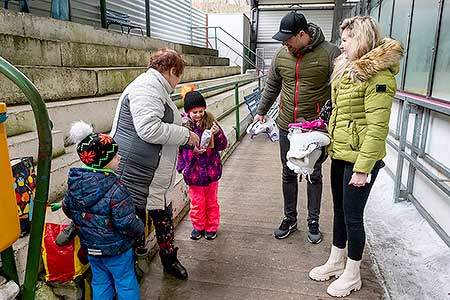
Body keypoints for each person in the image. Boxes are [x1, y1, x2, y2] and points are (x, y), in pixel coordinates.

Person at [308, 16, 403, 297]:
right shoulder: (346, 69)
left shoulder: (379, 76)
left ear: (360, 39)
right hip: (341, 153)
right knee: (338, 212)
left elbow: (377, 128)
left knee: (353, 217)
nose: (342, 44)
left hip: (360, 160)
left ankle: (352, 273)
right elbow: (342, 113)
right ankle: (337, 261)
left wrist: (363, 168)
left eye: (347, 39)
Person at [110, 48, 200, 280]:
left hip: (150, 174)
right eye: (179, 75)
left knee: (162, 217)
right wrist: (185, 136)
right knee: (137, 221)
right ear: (172, 71)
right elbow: (149, 129)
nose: (179, 81)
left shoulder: (154, 86)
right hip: (137, 175)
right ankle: (137, 265)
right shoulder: (147, 88)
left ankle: (167, 260)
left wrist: (183, 132)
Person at [255, 11, 340, 243]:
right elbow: (272, 84)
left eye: (288, 39)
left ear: (302, 34)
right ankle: (289, 218)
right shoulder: (282, 55)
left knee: (313, 173)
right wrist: (261, 111)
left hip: (313, 129)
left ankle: (313, 222)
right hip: (286, 126)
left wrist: (331, 118)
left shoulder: (331, 53)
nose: (284, 43)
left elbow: (340, 92)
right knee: (287, 172)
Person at [62, 121, 144, 300]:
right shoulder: (116, 189)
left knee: (100, 281)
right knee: (125, 282)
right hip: (117, 250)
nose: (120, 157)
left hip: (91, 247)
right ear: (102, 161)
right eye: (114, 156)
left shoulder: (74, 185)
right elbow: (126, 222)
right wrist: (140, 228)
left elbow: (67, 208)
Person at [177, 91, 228, 241]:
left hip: (211, 171)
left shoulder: (211, 124)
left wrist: (218, 134)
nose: (198, 115)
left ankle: (211, 227)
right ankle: (198, 226)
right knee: (197, 202)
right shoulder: (184, 128)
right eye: (194, 112)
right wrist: (182, 166)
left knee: (211, 201)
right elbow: (179, 149)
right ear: (188, 112)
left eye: (201, 111)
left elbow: (222, 145)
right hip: (193, 173)